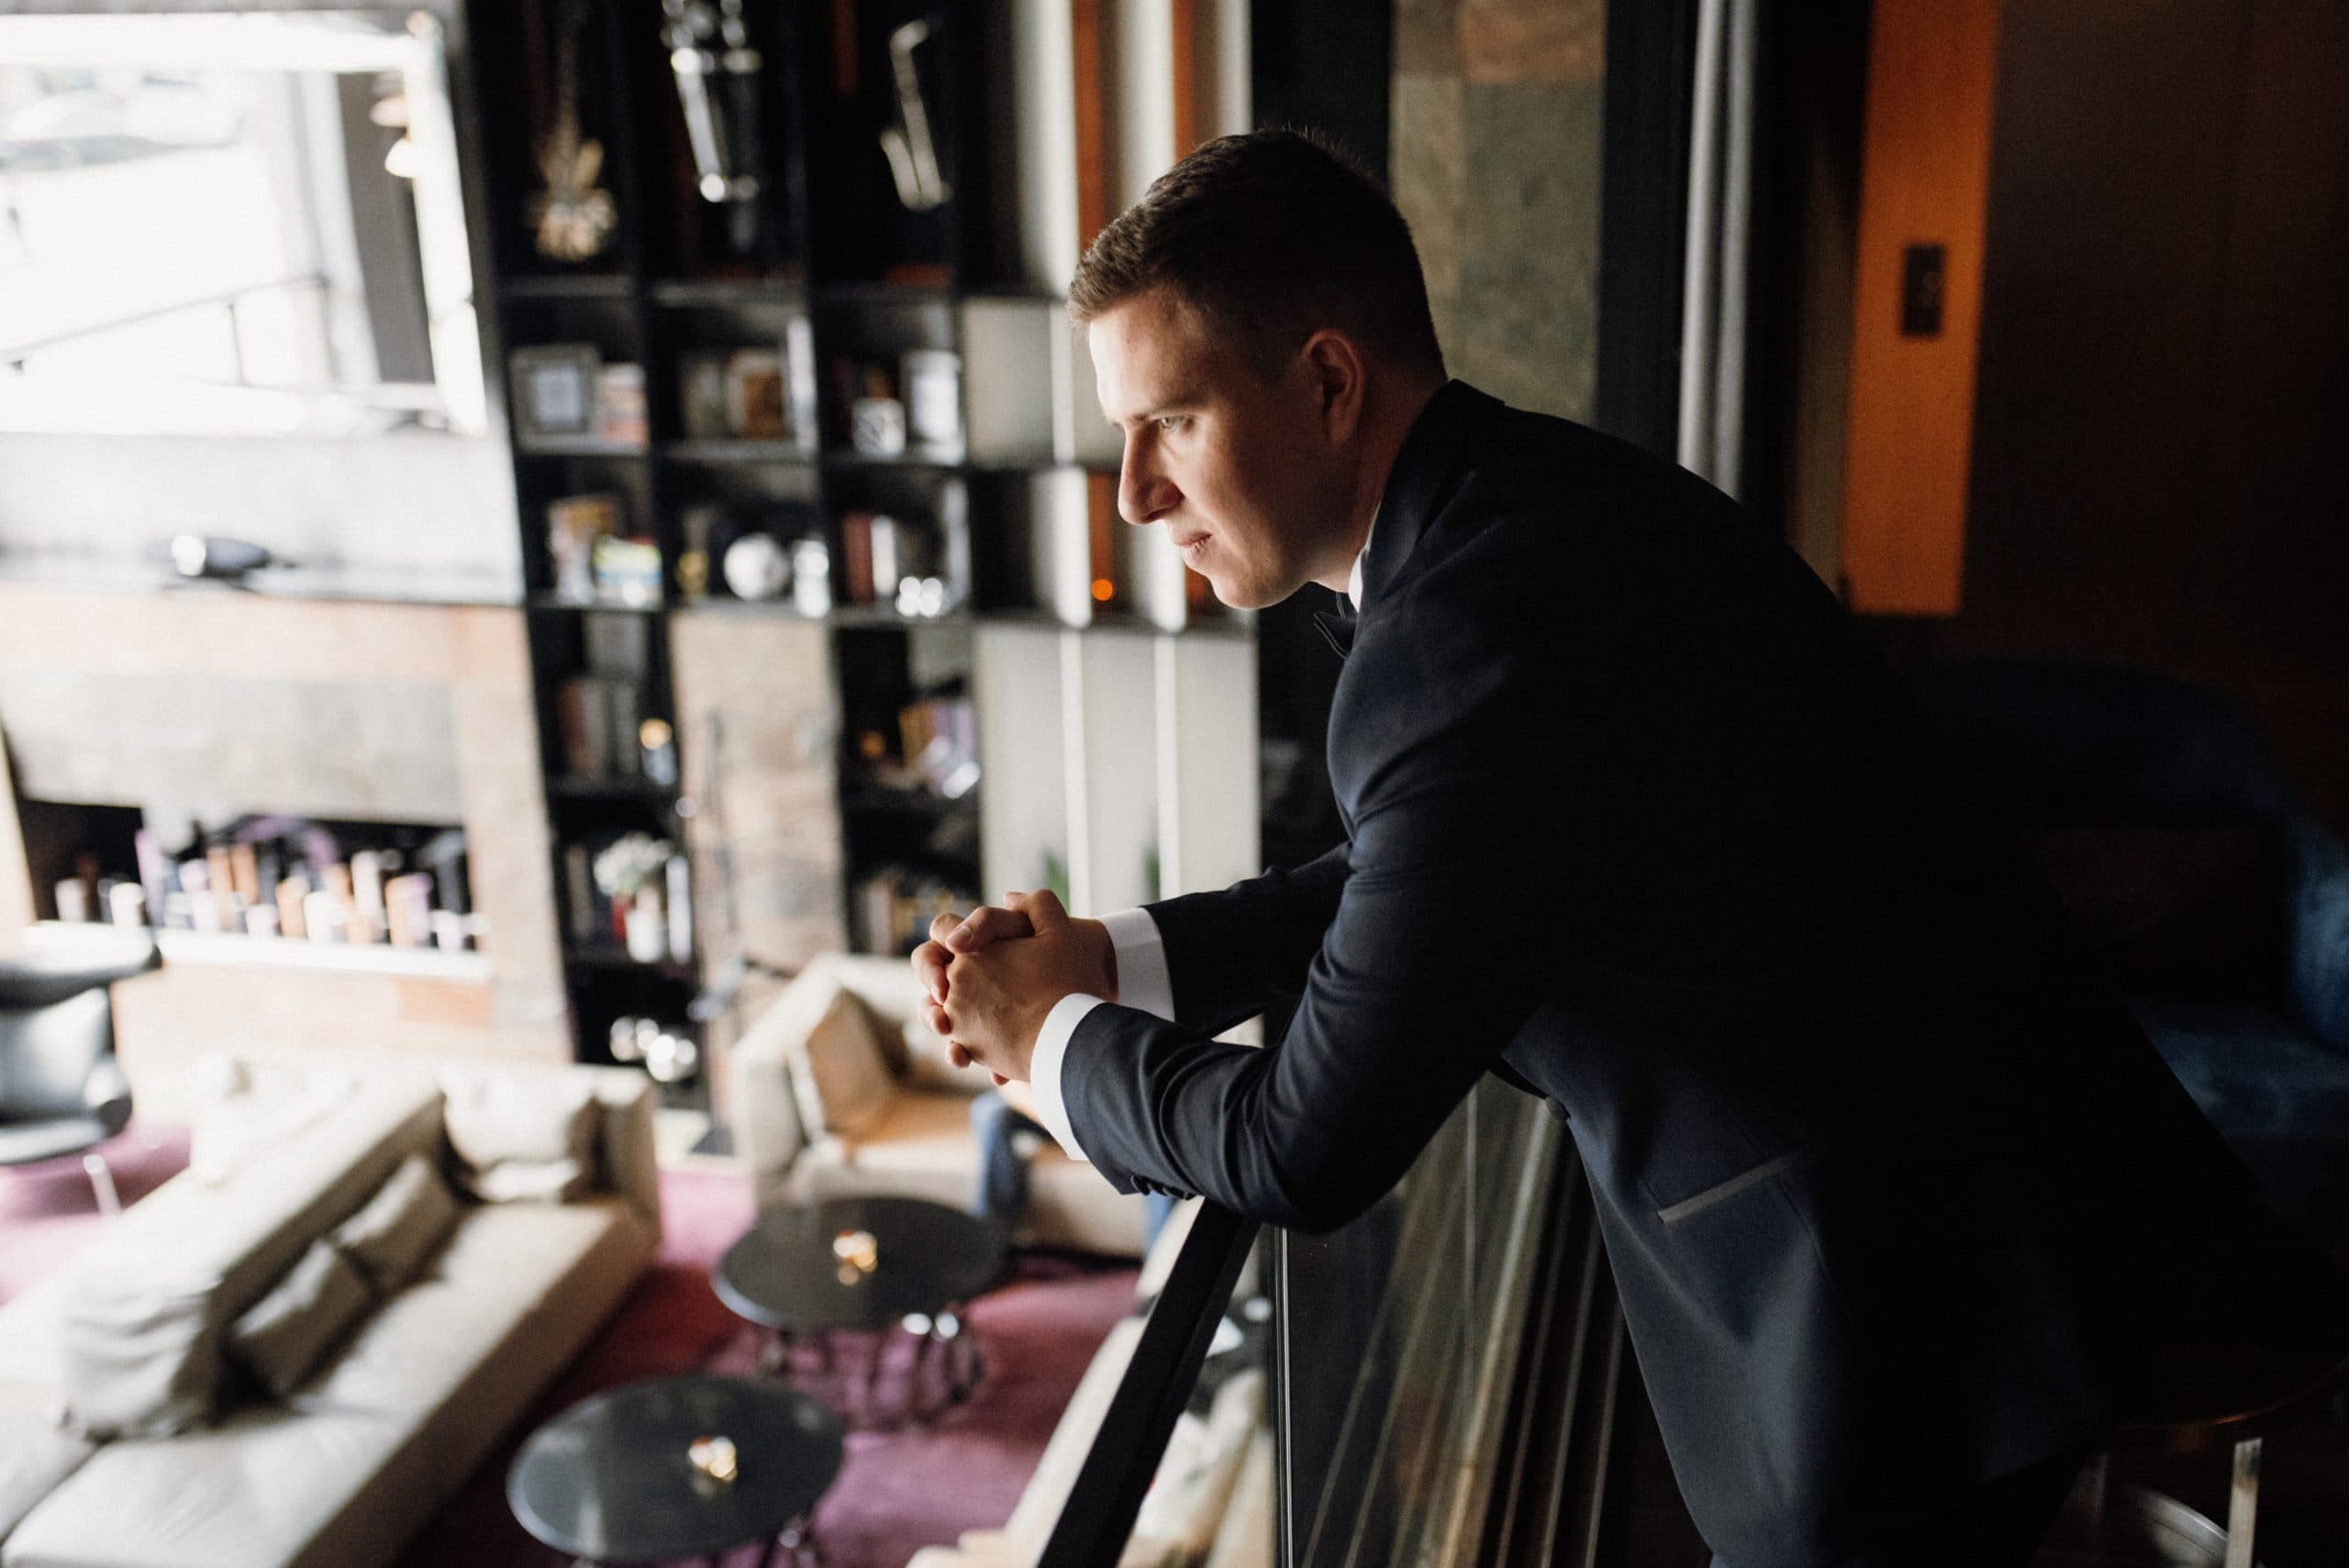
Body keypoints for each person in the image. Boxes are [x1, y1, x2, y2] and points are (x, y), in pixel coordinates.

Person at [910, 130, 2342, 1568]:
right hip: (2017, 1196)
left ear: (1331, 383)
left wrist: (1047, 1035)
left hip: (1920, 1319)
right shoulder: (1531, 500)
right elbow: (1444, 867)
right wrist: (1132, 956)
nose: (1131, 495)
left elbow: (1300, 1144)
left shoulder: (1455, 638)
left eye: (1167, 423)